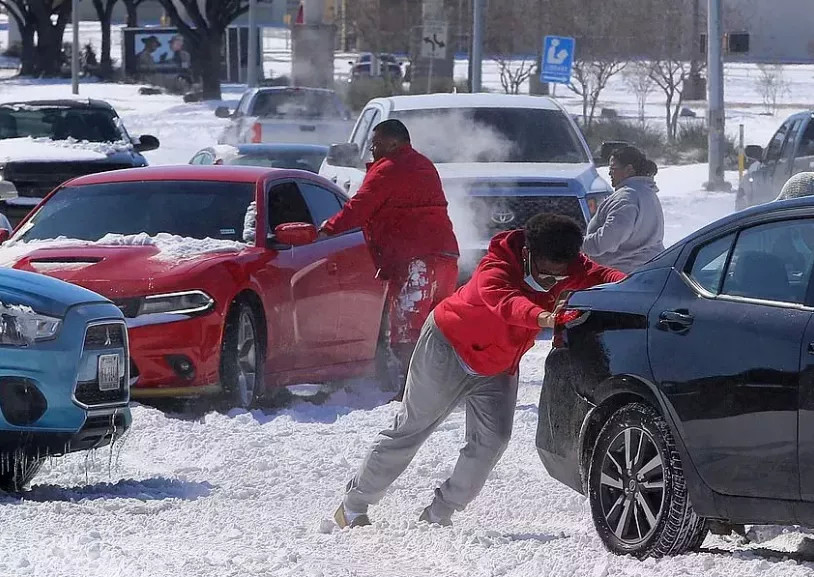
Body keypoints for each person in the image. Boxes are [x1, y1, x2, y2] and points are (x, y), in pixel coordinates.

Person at [334, 213, 625, 529]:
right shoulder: (495, 267)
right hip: (447, 349)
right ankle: (353, 505)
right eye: (545, 274)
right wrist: (543, 318)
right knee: (412, 429)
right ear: (528, 254)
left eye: (559, 277)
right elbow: (505, 302)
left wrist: (640, 285)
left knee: (493, 440)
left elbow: (605, 276)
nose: (550, 282)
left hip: (497, 367)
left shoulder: (570, 266)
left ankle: (439, 512)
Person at [319, 119, 459, 402]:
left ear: (394, 143)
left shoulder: (389, 169)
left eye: (377, 143)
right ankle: (444, 387)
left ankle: (412, 390)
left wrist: (329, 228)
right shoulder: (424, 165)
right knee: (439, 325)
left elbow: (361, 206)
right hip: (445, 256)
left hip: (416, 259)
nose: (372, 149)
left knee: (407, 327)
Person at [583, 145, 665, 274]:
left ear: (629, 169)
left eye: (613, 168)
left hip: (622, 277)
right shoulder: (647, 192)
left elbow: (606, 241)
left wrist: (578, 244)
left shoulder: (627, 198)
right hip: (645, 271)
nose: (610, 173)